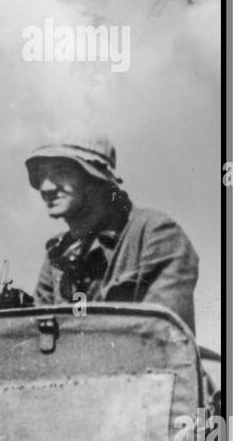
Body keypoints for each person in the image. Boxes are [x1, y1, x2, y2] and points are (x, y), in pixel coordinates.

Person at [26, 135, 199, 332]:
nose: (45, 187)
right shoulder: (57, 256)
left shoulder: (155, 234)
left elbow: (160, 340)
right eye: (41, 176)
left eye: (61, 171)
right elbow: (39, 341)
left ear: (95, 179)